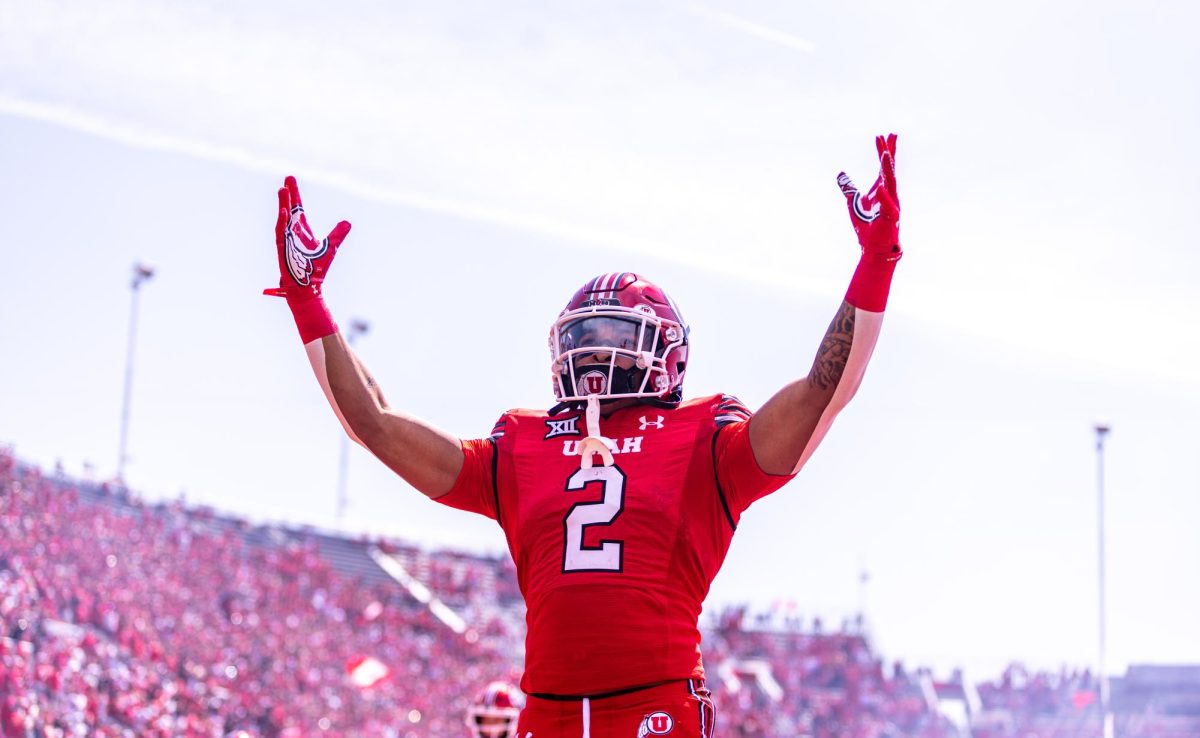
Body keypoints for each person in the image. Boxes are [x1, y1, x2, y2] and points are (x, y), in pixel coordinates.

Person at [266, 134, 903, 738]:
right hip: (547, 714)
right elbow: (372, 424)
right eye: (584, 336)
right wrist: (307, 301)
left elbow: (824, 392)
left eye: (618, 338)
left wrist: (875, 262)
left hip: (656, 706)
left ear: (667, 352)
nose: (596, 353)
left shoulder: (705, 436)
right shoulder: (521, 444)